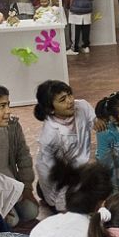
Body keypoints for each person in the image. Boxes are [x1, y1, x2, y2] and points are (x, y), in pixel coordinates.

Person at [0, 80, 38, 225]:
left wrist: (27, 188)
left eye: (8, 105)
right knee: (12, 221)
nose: (8, 111)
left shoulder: (12, 126)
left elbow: (23, 156)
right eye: (2, 106)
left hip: (11, 184)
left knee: (31, 212)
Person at [34, 80, 96, 212]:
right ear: (50, 109)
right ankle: (44, 193)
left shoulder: (82, 106)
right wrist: (61, 206)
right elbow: (56, 173)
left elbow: (95, 121)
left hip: (76, 168)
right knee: (68, 206)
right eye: (62, 99)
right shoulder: (49, 135)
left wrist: (100, 120)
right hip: (56, 173)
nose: (70, 100)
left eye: (69, 94)